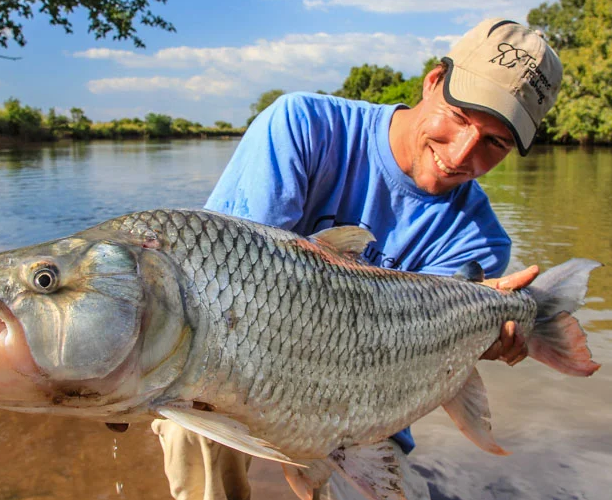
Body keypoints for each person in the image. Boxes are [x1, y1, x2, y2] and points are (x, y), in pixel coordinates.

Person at [152, 18, 563, 500]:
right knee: (189, 419)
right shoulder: (302, 127)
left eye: (496, 143)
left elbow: (410, 374)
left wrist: (475, 334)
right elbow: (214, 291)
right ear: (434, 81)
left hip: (364, 406)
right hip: (242, 371)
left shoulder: (481, 240)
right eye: (461, 117)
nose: (462, 154)